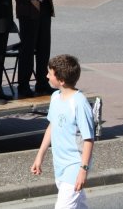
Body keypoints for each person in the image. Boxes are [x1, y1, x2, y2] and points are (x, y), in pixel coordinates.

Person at [31, 54, 94, 209]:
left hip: (75, 164)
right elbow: (52, 127)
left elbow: (88, 139)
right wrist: (40, 156)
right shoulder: (55, 97)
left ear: (61, 80)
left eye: (50, 73)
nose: (46, 76)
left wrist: (83, 170)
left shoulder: (79, 103)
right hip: (59, 163)